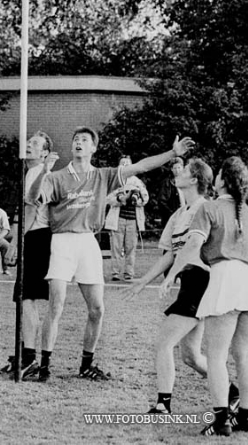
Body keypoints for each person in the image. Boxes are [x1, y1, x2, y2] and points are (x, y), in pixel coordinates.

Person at [27, 126, 194, 383]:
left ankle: (86, 364)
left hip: (88, 242)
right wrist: (44, 173)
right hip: (62, 240)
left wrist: (172, 152)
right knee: (56, 304)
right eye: (75, 139)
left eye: (84, 139)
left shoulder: (103, 175)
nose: (79, 143)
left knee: (97, 309)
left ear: (93, 148)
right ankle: (45, 365)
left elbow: (140, 167)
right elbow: (32, 198)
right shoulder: (57, 177)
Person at [160, 156, 248, 436]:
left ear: (221, 180)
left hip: (225, 278)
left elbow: (193, 245)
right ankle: (244, 416)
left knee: (217, 356)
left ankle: (221, 419)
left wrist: (174, 272)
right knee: (243, 353)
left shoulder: (209, 207)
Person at [124, 158, 241, 414]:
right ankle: (233, 392)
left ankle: (163, 405)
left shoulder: (206, 208)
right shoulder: (179, 214)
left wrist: (170, 277)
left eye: (184, 170)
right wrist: (144, 281)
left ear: (195, 179)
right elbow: (170, 253)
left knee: (163, 342)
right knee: (190, 356)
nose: (177, 172)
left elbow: (192, 250)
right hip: (190, 284)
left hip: (203, 283)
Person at [0, 131, 54, 380]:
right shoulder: (30, 172)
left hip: (37, 237)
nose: (28, 146)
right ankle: (24, 353)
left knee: (27, 297)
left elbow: (31, 212)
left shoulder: (39, 173)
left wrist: (16, 244)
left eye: (34, 144)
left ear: (44, 152)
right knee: (24, 297)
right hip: (33, 236)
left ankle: (30, 358)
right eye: (28, 142)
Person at [153, 157, 186, 228]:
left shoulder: (188, 182)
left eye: (179, 167)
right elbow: (162, 201)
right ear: (171, 169)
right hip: (172, 216)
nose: (177, 170)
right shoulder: (167, 183)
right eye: (175, 168)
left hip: (186, 214)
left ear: (183, 168)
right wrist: (171, 213)